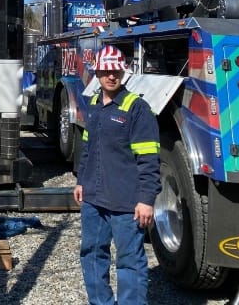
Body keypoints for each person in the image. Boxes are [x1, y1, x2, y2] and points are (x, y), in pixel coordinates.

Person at [73, 45, 161, 305]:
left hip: (126, 203)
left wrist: (146, 200)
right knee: (91, 253)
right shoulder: (94, 105)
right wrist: (81, 181)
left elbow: (149, 160)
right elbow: (88, 147)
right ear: (97, 72)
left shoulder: (137, 109)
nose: (111, 76)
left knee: (130, 262)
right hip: (93, 199)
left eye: (116, 71)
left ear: (123, 72)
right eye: (106, 71)